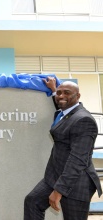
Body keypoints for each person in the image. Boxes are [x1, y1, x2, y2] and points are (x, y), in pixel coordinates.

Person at [24, 77, 102, 220]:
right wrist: (54, 89)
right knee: (32, 201)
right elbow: (61, 105)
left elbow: (78, 160)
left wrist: (59, 190)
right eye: (59, 93)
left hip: (77, 182)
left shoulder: (83, 120)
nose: (61, 96)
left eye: (66, 92)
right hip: (55, 176)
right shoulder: (66, 113)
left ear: (77, 96)